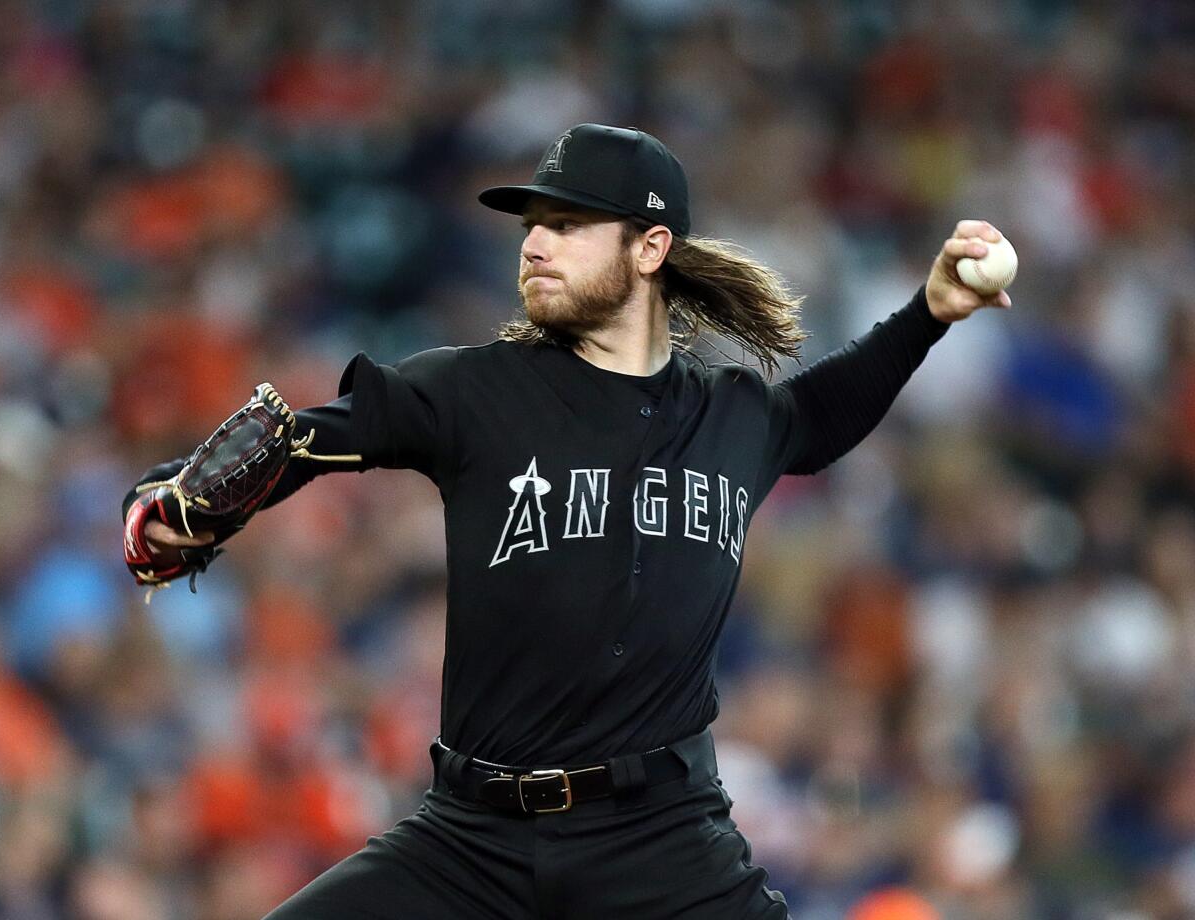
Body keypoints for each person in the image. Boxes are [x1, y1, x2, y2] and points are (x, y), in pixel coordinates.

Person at [123, 124, 1012, 919]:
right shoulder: (475, 392)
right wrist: (166, 502)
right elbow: (304, 439)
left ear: (650, 246)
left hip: (664, 845)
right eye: (531, 225)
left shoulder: (735, 415)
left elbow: (823, 413)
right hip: (470, 843)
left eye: (569, 224)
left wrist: (928, 314)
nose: (536, 244)